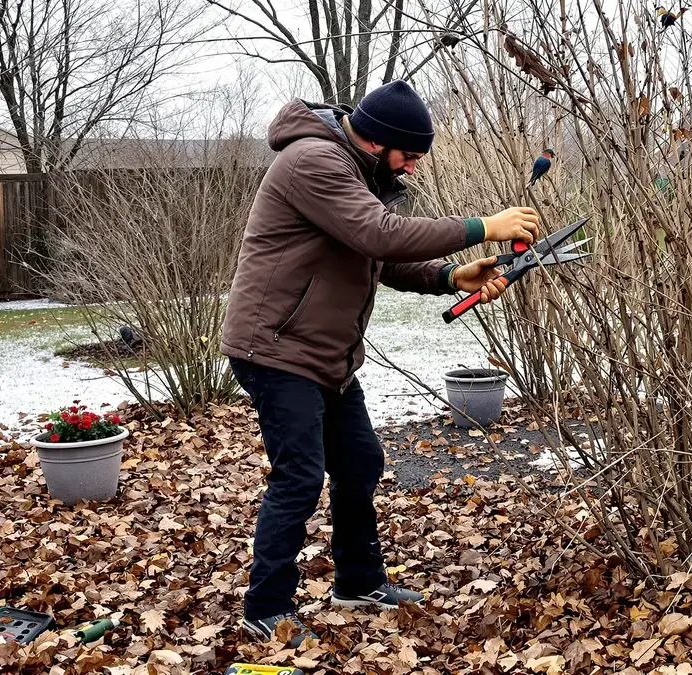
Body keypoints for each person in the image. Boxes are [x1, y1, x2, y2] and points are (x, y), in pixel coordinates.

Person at [220, 80, 540, 646]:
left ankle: (358, 583)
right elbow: (379, 234)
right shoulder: (312, 161)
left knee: (360, 462)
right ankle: (264, 607)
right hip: (275, 346)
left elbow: (374, 254)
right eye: (409, 156)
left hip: (325, 354)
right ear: (378, 142)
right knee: (299, 475)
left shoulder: (353, 169)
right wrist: (484, 225)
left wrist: (450, 276)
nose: (413, 168)